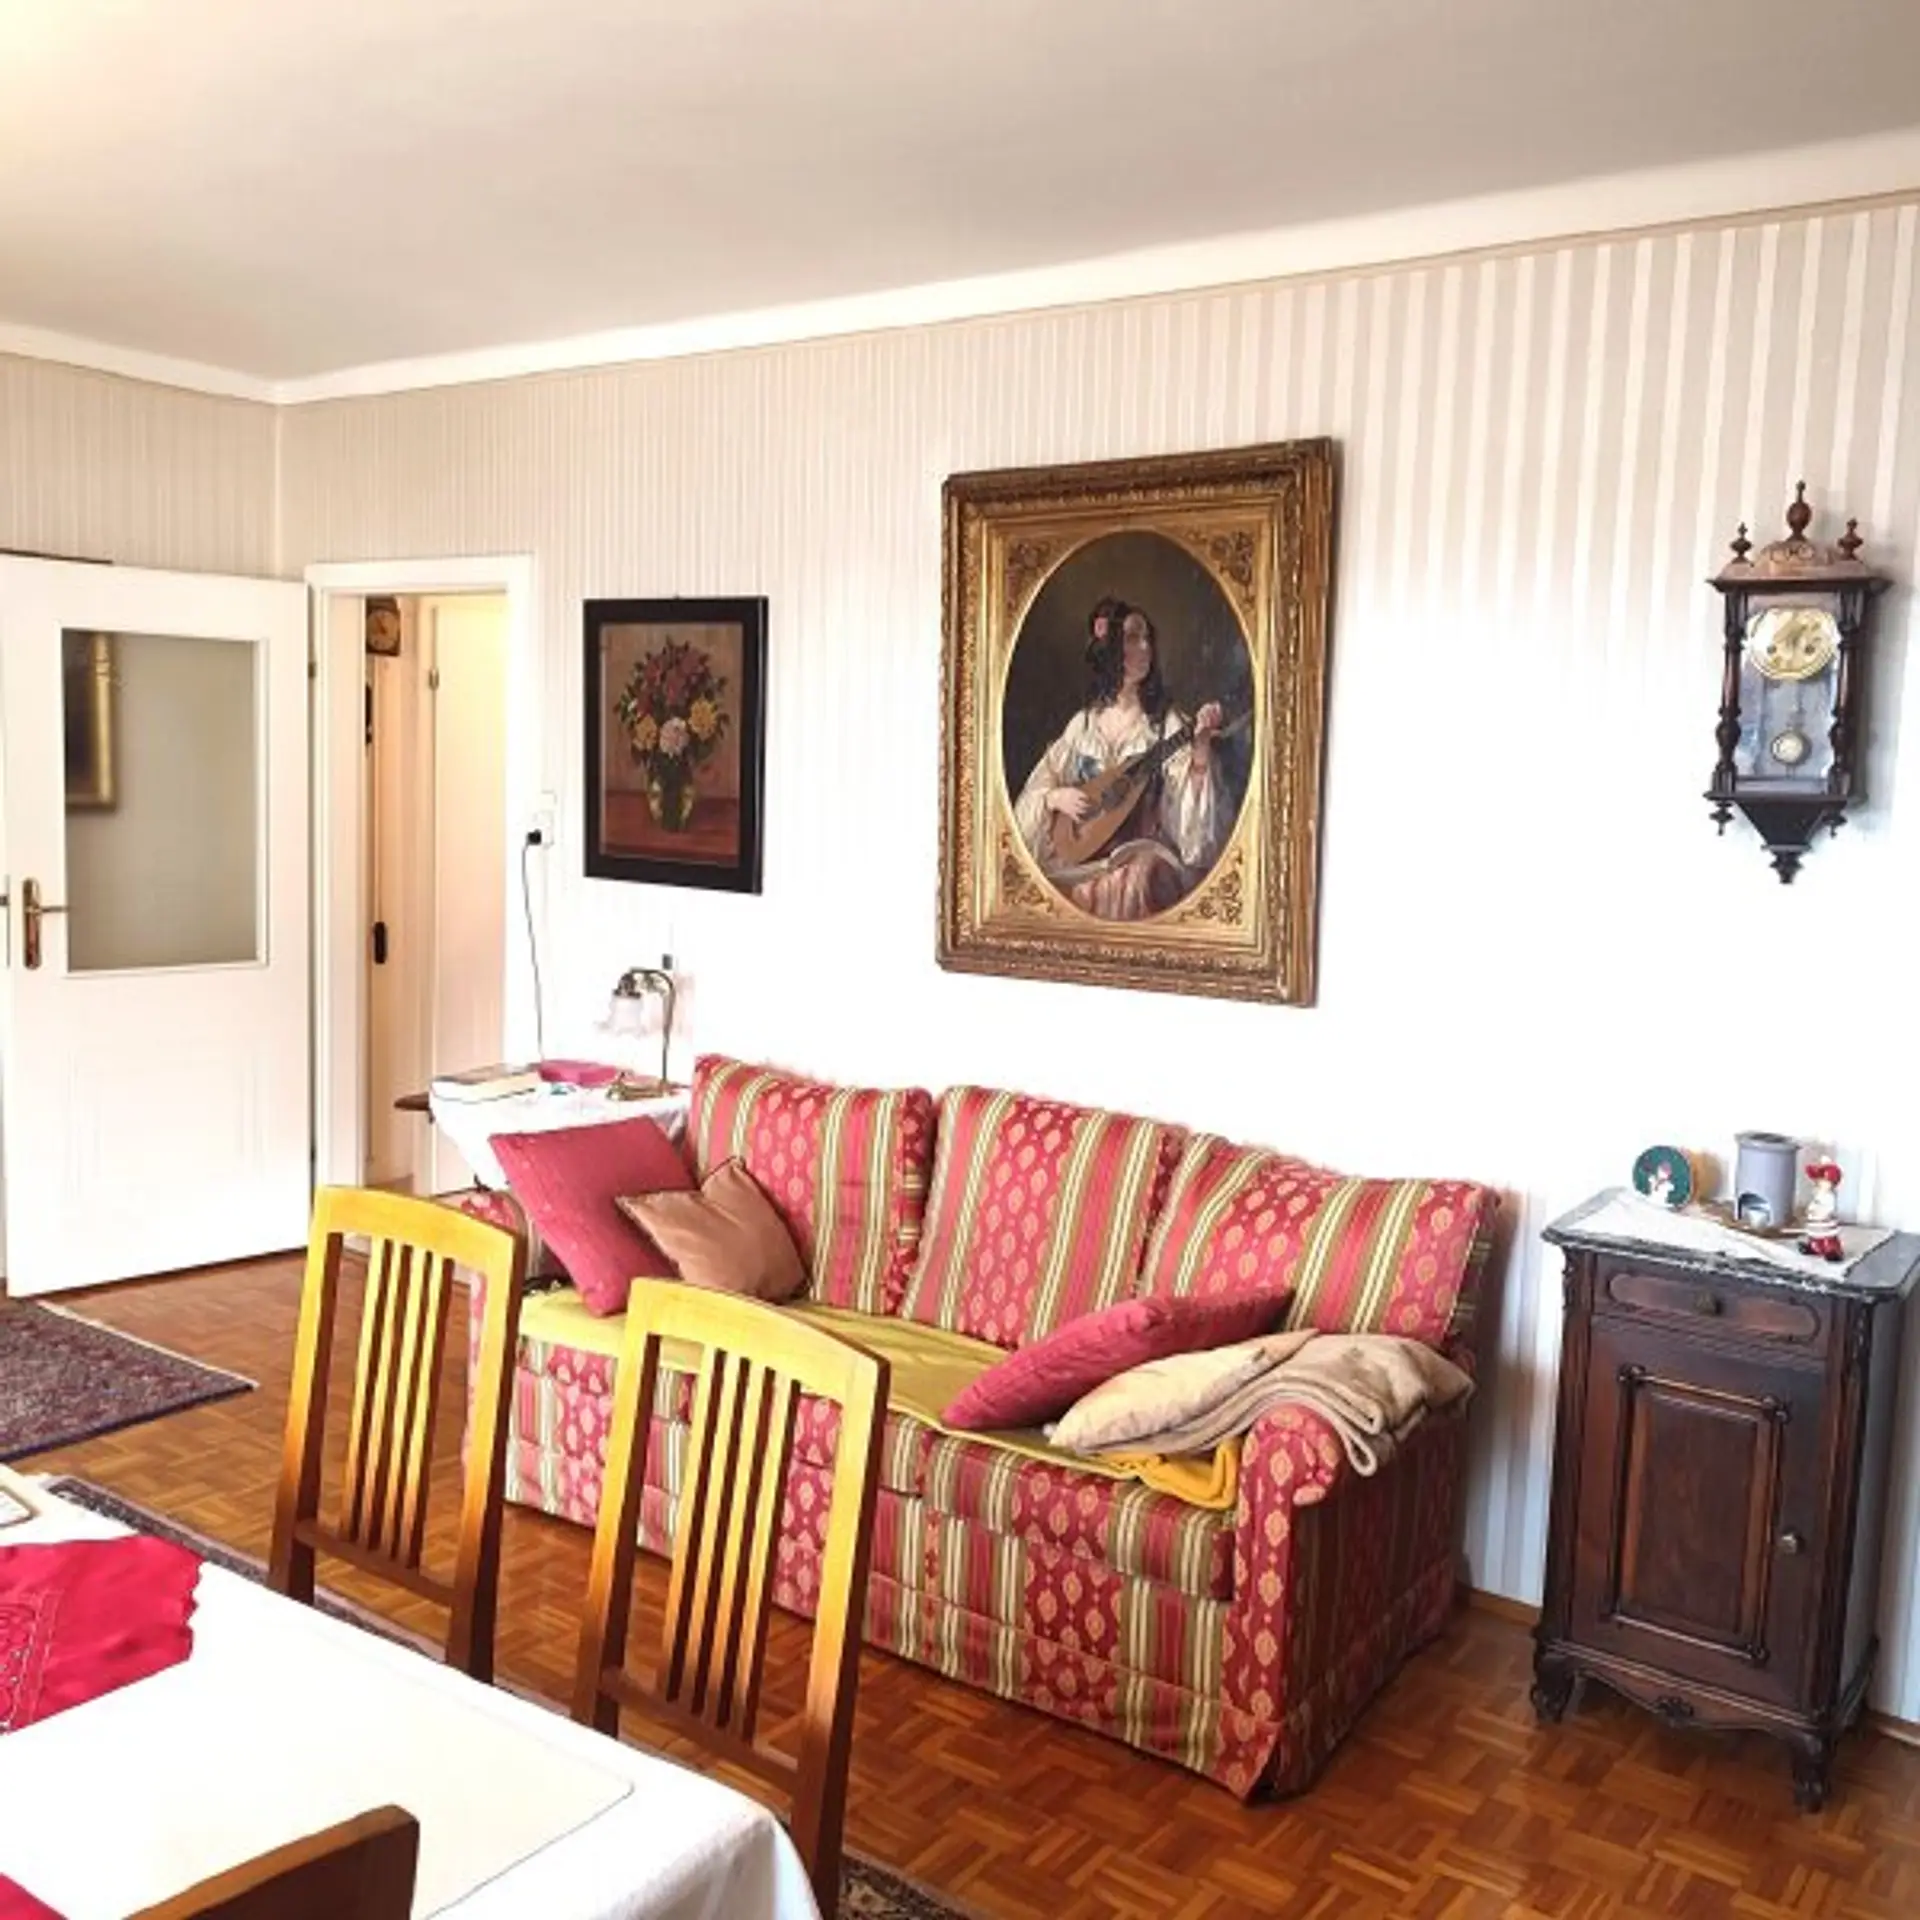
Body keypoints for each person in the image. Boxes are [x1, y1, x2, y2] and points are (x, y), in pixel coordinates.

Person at [1012, 597, 1226, 920]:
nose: (1145, 647)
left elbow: (1192, 829)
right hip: (1084, 855)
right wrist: (1054, 798)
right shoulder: (1083, 725)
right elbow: (1036, 791)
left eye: (1147, 638)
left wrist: (1200, 751)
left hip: (1142, 855)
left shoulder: (1166, 725)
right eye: (1132, 638)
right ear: (1110, 649)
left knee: (1133, 881)